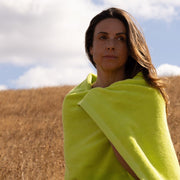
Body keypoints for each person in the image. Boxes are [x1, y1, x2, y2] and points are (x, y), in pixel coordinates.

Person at [62, 7, 180, 179]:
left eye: (120, 39)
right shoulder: (74, 102)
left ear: (130, 47)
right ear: (91, 48)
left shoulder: (145, 95)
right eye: (103, 37)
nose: (111, 45)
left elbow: (151, 164)